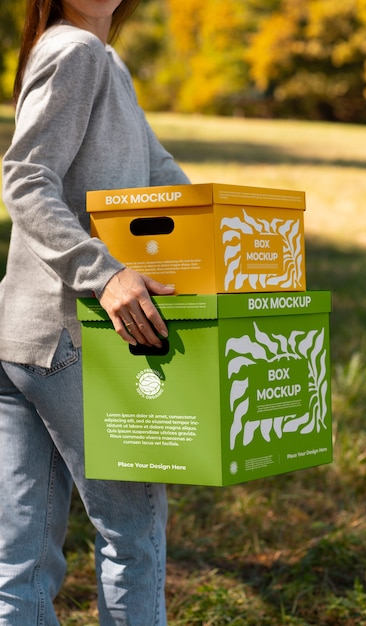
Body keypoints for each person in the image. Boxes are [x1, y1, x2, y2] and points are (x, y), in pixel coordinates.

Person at [0, 1, 190, 624]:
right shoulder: (76, 52)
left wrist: (235, 238)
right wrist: (103, 274)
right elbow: (25, 178)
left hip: (23, 341)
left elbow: (161, 178)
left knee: (20, 565)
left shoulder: (99, 58)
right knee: (134, 539)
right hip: (76, 338)